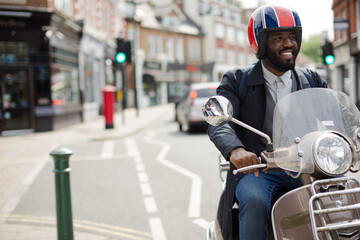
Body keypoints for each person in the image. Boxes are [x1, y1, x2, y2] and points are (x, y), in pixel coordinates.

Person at [207, 4, 328, 240]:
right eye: (278, 37)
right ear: (260, 44)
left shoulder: (313, 79)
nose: (288, 43)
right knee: (254, 201)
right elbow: (219, 122)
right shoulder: (236, 80)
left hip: (306, 167)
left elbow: (333, 119)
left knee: (339, 197)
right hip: (259, 170)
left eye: (292, 37)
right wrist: (236, 149)